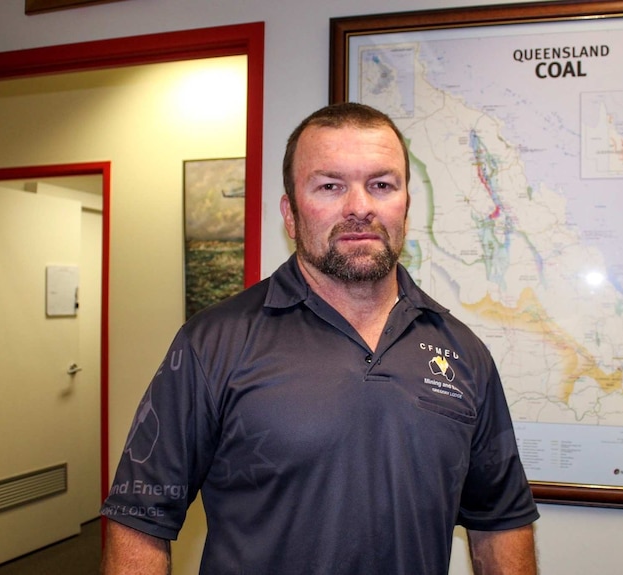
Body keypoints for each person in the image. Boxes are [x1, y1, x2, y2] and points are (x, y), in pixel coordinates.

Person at [100, 102, 539, 574]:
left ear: (405, 207)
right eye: (330, 186)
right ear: (290, 214)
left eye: (381, 185)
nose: (360, 207)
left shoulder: (462, 351)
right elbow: (139, 521)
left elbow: (500, 521)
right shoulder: (214, 344)